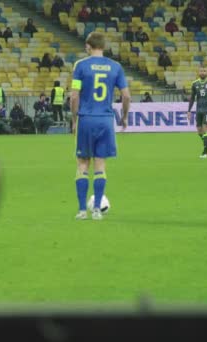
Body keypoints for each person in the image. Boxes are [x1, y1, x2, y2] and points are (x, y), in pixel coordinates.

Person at [71, 32, 130, 220]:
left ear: (88, 46)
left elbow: (74, 96)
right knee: (100, 165)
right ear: (103, 46)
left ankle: (82, 211)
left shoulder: (80, 66)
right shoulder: (116, 67)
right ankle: (96, 210)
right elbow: (126, 96)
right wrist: (125, 117)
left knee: (82, 164)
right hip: (105, 119)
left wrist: (74, 119)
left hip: (86, 118)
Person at [187, 66, 207, 158]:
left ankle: (205, 152)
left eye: (204, 71)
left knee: (205, 128)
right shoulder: (194, 84)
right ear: (198, 72)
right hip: (199, 109)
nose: (203, 72)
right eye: (201, 71)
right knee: (199, 131)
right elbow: (192, 98)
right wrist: (189, 111)